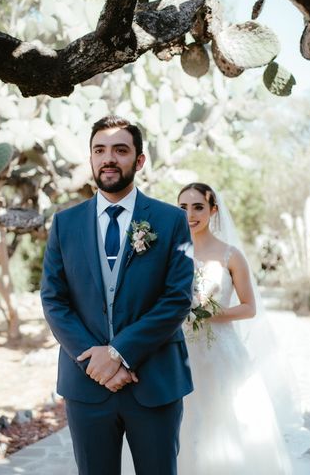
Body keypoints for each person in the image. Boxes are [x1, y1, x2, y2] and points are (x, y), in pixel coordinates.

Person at [40, 115, 194, 475]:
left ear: (139, 161)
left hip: (154, 381)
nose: (109, 158)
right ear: (91, 159)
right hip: (86, 384)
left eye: (120, 150)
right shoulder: (65, 223)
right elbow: (54, 299)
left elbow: (176, 298)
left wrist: (120, 354)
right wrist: (93, 360)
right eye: (100, 150)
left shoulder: (171, 220)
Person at [176, 183, 310, 475]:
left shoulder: (230, 255)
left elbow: (248, 307)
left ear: (213, 210)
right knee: (182, 419)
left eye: (198, 207)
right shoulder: (172, 251)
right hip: (177, 349)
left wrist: (208, 314)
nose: (190, 214)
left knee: (224, 418)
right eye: (183, 207)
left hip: (219, 351)